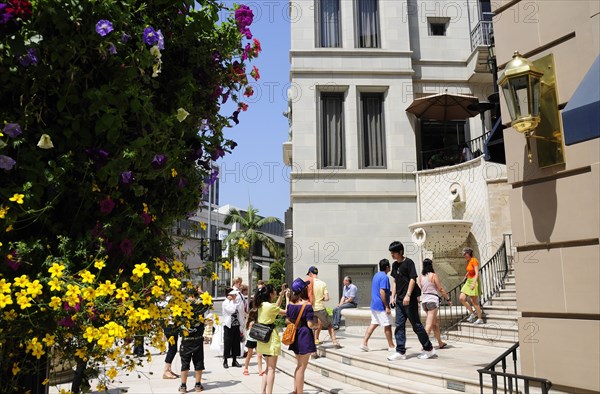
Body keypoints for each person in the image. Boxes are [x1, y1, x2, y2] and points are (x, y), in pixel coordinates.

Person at [388, 241, 436, 360]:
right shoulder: (394, 265)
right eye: (391, 252)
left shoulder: (409, 263)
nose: (392, 255)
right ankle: (400, 352)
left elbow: (412, 279)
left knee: (416, 325)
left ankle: (428, 348)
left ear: (400, 252)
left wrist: (408, 295)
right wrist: (392, 296)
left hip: (410, 300)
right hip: (399, 300)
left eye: (394, 252)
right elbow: (394, 281)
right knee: (399, 325)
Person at [255, 283, 287, 394]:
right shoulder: (270, 306)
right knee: (272, 369)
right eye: (274, 291)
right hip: (271, 338)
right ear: (270, 293)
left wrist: (281, 295)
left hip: (262, 338)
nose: (275, 293)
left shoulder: (262, 305)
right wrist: (287, 298)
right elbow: (286, 312)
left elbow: (275, 307)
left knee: (267, 367)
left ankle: (263, 392)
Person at [286, 278, 316, 394]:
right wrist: (316, 325)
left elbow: (288, 321)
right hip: (304, 336)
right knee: (302, 367)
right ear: (303, 290)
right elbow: (309, 324)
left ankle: (295, 390)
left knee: (298, 365)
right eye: (306, 287)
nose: (307, 288)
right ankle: (300, 392)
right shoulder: (307, 305)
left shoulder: (290, 305)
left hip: (295, 336)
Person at [179, 287, 210, 393]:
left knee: (185, 362)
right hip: (197, 338)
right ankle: (197, 385)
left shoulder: (183, 305)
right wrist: (202, 293)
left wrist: (183, 291)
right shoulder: (200, 304)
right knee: (198, 361)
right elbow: (209, 302)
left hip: (186, 338)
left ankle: (183, 386)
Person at [361, 259, 395, 352]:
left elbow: (380, 290)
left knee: (373, 323)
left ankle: (364, 343)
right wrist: (387, 306)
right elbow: (382, 292)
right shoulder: (385, 277)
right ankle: (391, 346)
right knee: (387, 325)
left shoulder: (376, 275)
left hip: (374, 304)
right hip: (381, 306)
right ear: (387, 267)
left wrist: (390, 293)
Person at [418, 258, 452, 349]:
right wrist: (448, 299)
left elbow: (420, 289)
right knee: (429, 324)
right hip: (432, 301)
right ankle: (425, 345)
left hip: (424, 301)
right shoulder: (433, 275)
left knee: (435, 324)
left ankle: (440, 343)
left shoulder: (420, 277)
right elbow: (440, 289)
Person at [308, 266, 340, 347]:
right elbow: (327, 298)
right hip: (320, 308)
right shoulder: (322, 283)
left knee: (314, 327)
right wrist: (321, 298)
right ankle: (334, 342)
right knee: (329, 325)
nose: (308, 276)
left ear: (311, 273)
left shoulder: (308, 283)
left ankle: (314, 346)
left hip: (310, 309)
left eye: (309, 274)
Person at [459, 247, 484, 324]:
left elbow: (476, 272)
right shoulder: (469, 261)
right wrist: (466, 275)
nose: (464, 256)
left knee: (473, 301)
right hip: (468, 280)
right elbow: (470, 270)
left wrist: (474, 283)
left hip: (473, 280)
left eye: (465, 254)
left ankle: (480, 318)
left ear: (468, 253)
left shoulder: (474, 260)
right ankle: (472, 313)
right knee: (461, 298)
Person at [157, 294, 180, 379]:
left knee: (172, 348)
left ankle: (168, 369)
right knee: (173, 348)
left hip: (171, 325)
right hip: (169, 326)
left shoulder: (162, 301)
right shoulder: (165, 301)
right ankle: (166, 370)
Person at [222, 287, 245, 368]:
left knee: (236, 343)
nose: (235, 296)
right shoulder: (225, 303)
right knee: (227, 343)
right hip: (228, 325)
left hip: (236, 324)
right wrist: (232, 301)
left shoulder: (236, 302)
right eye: (234, 294)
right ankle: (225, 360)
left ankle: (234, 360)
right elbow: (231, 310)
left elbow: (241, 311)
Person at [242, 302, 264, 376]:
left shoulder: (257, 322)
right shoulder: (251, 323)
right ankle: (246, 368)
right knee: (249, 354)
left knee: (260, 355)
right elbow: (253, 332)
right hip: (251, 340)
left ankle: (260, 370)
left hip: (257, 340)